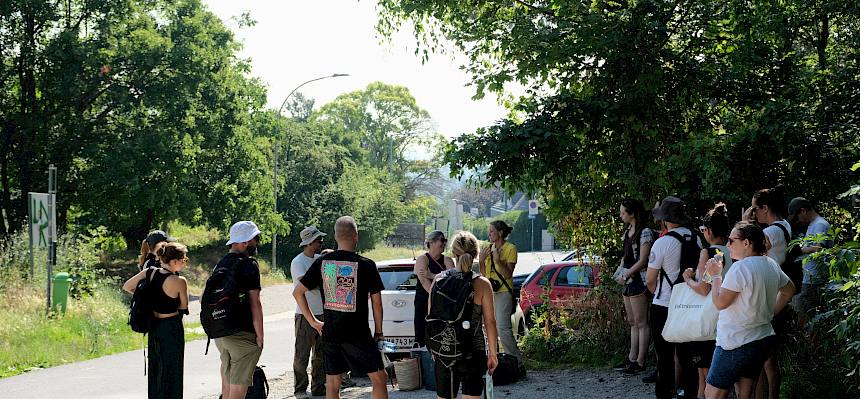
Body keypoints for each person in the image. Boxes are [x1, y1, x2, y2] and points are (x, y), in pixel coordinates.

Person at [293, 216, 389, 399]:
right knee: (379, 378)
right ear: (356, 236)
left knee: (332, 383)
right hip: (358, 332)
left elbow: (297, 292)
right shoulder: (366, 265)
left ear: (336, 237)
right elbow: (377, 302)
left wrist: (313, 322)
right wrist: (379, 332)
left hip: (331, 332)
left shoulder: (323, 263)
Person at [703, 222, 796, 399]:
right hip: (760, 339)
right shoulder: (771, 264)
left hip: (735, 341)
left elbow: (720, 303)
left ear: (746, 243)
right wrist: (769, 314)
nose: (728, 244)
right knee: (745, 394)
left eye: (731, 240)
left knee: (712, 394)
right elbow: (789, 290)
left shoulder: (740, 267)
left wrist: (716, 275)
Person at [431, 231, 499, 399]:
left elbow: (431, 318)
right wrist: (493, 353)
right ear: (475, 254)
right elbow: (490, 322)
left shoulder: (438, 280)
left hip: (445, 348)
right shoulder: (482, 284)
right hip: (473, 351)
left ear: (453, 254)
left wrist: (434, 350)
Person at [646, 196, 701, 399]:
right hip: (688, 304)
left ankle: (665, 392)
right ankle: (690, 393)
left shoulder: (663, 242)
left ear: (665, 219)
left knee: (664, 356)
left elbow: (651, 279)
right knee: (687, 355)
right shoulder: (696, 237)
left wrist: (658, 293)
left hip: (664, 304)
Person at [123, 242, 190, 399]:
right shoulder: (179, 281)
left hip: (153, 326)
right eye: (184, 259)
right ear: (174, 261)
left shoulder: (149, 272)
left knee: (156, 367)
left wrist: (145, 296)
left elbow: (127, 286)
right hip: (171, 327)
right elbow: (183, 306)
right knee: (173, 369)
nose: (185, 262)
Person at [681, 203, 734, 399]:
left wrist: (688, 279)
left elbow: (703, 288)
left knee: (704, 375)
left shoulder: (708, 252)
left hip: (707, 317)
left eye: (703, 229)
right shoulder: (733, 252)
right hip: (728, 314)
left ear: (709, 231)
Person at [744, 186, 791, 399]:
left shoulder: (771, 231)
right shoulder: (784, 226)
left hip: (769, 295)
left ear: (765, 208)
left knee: (764, 358)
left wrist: (745, 222)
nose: (754, 214)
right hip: (776, 288)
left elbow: (747, 248)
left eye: (755, 209)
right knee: (768, 358)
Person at [214, 221, 264, 399]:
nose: (257, 243)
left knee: (227, 385)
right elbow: (255, 302)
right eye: (255, 239)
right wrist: (260, 335)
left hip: (220, 333)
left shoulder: (220, 263)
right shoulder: (249, 264)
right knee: (238, 391)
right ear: (245, 242)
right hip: (241, 333)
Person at [613, 199, 654, 375]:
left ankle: (640, 360)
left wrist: (627, 274)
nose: (621, 216)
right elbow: (625, 256)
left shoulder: (644, 232)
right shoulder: (627, 232)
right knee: (632, 321)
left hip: (638, 281)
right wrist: (619, 273)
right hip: (628, 280)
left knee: (641, 322)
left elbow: (643, 260)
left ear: (632, 213)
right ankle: (631, 358)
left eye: (623, 213)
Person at [291, 226, 328, 398]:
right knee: (302, 354)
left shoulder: (320, 259)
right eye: (319, 240)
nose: (321, 243)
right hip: (305, 314)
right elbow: (306, 285)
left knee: (320, 354)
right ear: (310, 242)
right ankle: (300, 389)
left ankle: (318, 387)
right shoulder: (298, 262)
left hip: (323, 312)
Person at [478, 220, 522, 364]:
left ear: (500, 233)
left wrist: (497, 260)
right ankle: (495, 360)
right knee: (489, 327)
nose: (489, 234)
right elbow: (483, 276)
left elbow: (508, 274)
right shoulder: (487, 247)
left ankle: (515, 361)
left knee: (503, 328)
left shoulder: (511, 249)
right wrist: (482, 261)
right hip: (489, 292)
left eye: (491, 231)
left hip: (503, 291)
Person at [787, 197, 832, 314]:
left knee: (803, 310)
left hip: (815, 278)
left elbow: (819, 247)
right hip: (811, 276)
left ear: (803, 211)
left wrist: (799, 250)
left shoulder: (819, 224)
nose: (798, 221)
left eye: (797, 217)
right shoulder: (814, 224)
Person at [414, 230, 455, 348]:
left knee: (441, 337)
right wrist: (436, 296)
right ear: (431, 242)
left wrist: (432, 275)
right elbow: (423, 281)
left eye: (445, 240)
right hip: (424, 303)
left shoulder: (447, 260)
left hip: (443, 305)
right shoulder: (422, 259)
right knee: (422, 336)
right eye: (442, 240)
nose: (444, 243)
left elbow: (451, 280)